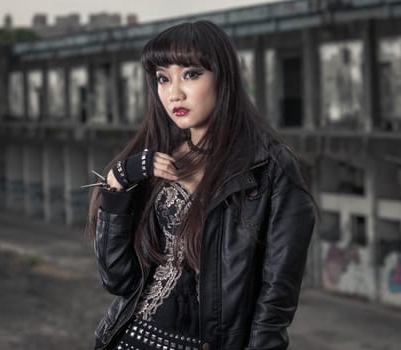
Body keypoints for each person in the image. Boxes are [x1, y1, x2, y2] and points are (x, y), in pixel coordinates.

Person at [86, 20, 315, 350]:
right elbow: (118, 279)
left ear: (223, 76)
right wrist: (118, 185)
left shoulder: (271, 168)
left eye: (190, 74)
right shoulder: (156, 161)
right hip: (129, 340)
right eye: (163, 78)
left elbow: (275, 302)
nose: (174, 92)